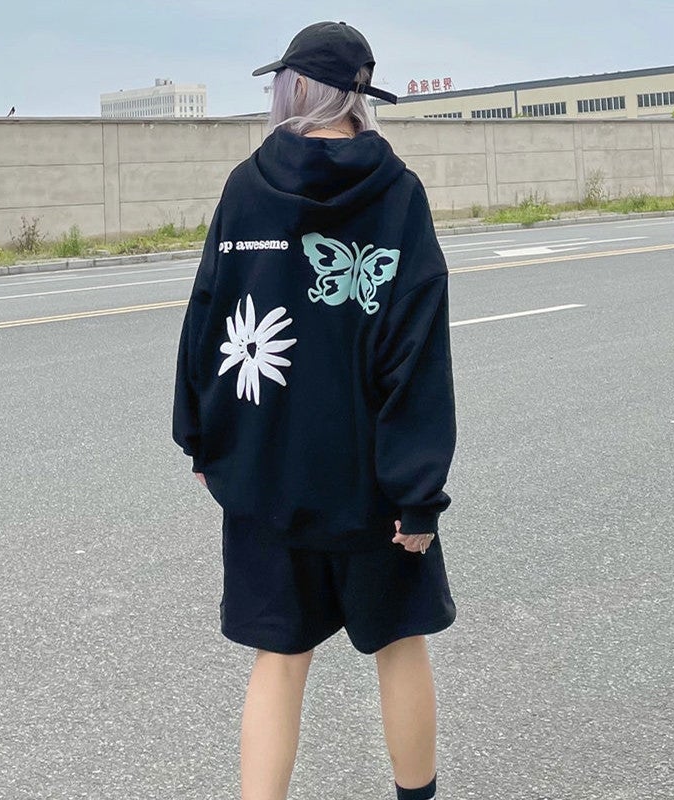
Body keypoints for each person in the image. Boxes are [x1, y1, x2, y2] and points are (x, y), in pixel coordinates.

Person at [173, 20, 457, 800]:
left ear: (293, 88)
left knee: (279, 658)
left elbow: (207, 317)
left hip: (267, 473)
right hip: (373, 482)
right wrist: (418, 492)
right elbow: (416, 351)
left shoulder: (247, 187)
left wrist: (200, 438)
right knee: (400, 645)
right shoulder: (397, 193)